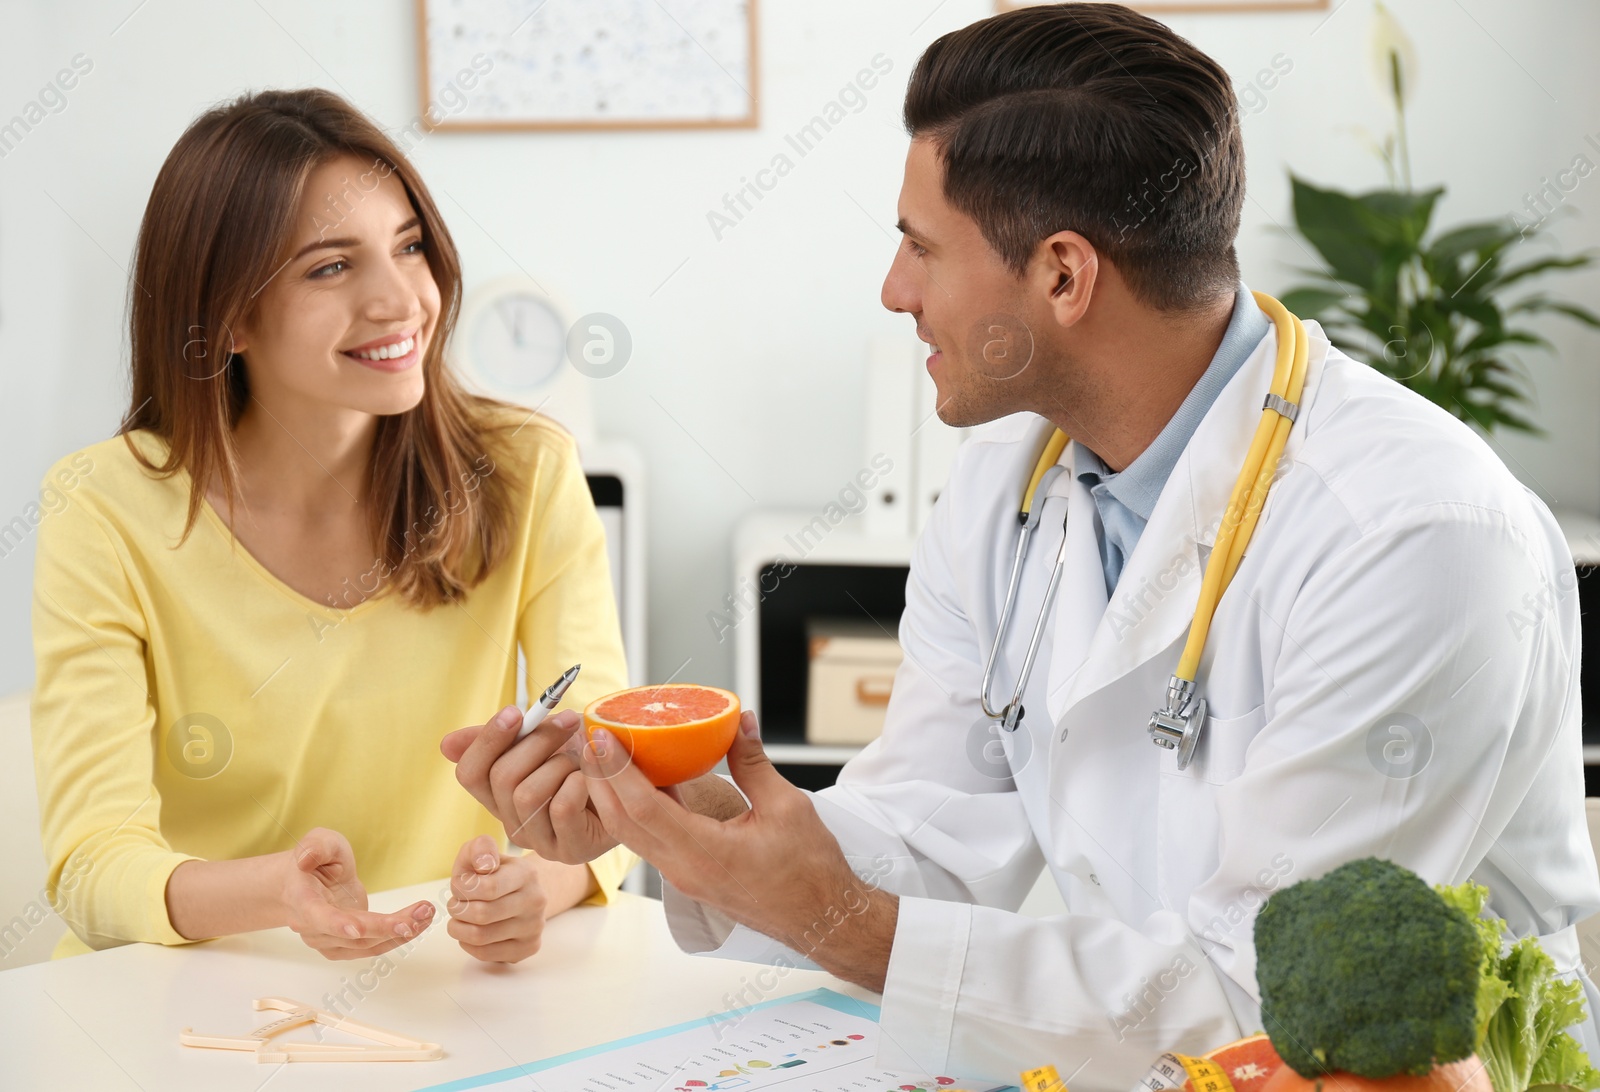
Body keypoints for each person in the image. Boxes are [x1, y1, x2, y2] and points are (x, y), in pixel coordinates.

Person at [446, 3, 1600, 1084]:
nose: (894, 290)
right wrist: (678, 815)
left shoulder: (1413, 538)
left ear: (1060, 272)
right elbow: (929, 835)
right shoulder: (1010, 480)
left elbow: (1270, 993)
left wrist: (840, 921)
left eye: (920, 246)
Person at [32, 88, 634, 963]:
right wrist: (275, 896)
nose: (402, 302)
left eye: (409, 247)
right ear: (227, 316)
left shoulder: (525, 473)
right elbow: (93, 865)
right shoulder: (101, 509)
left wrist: (531, 889)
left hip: (439, 989)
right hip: (181, 1004)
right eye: (331, 267)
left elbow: (606, 776)